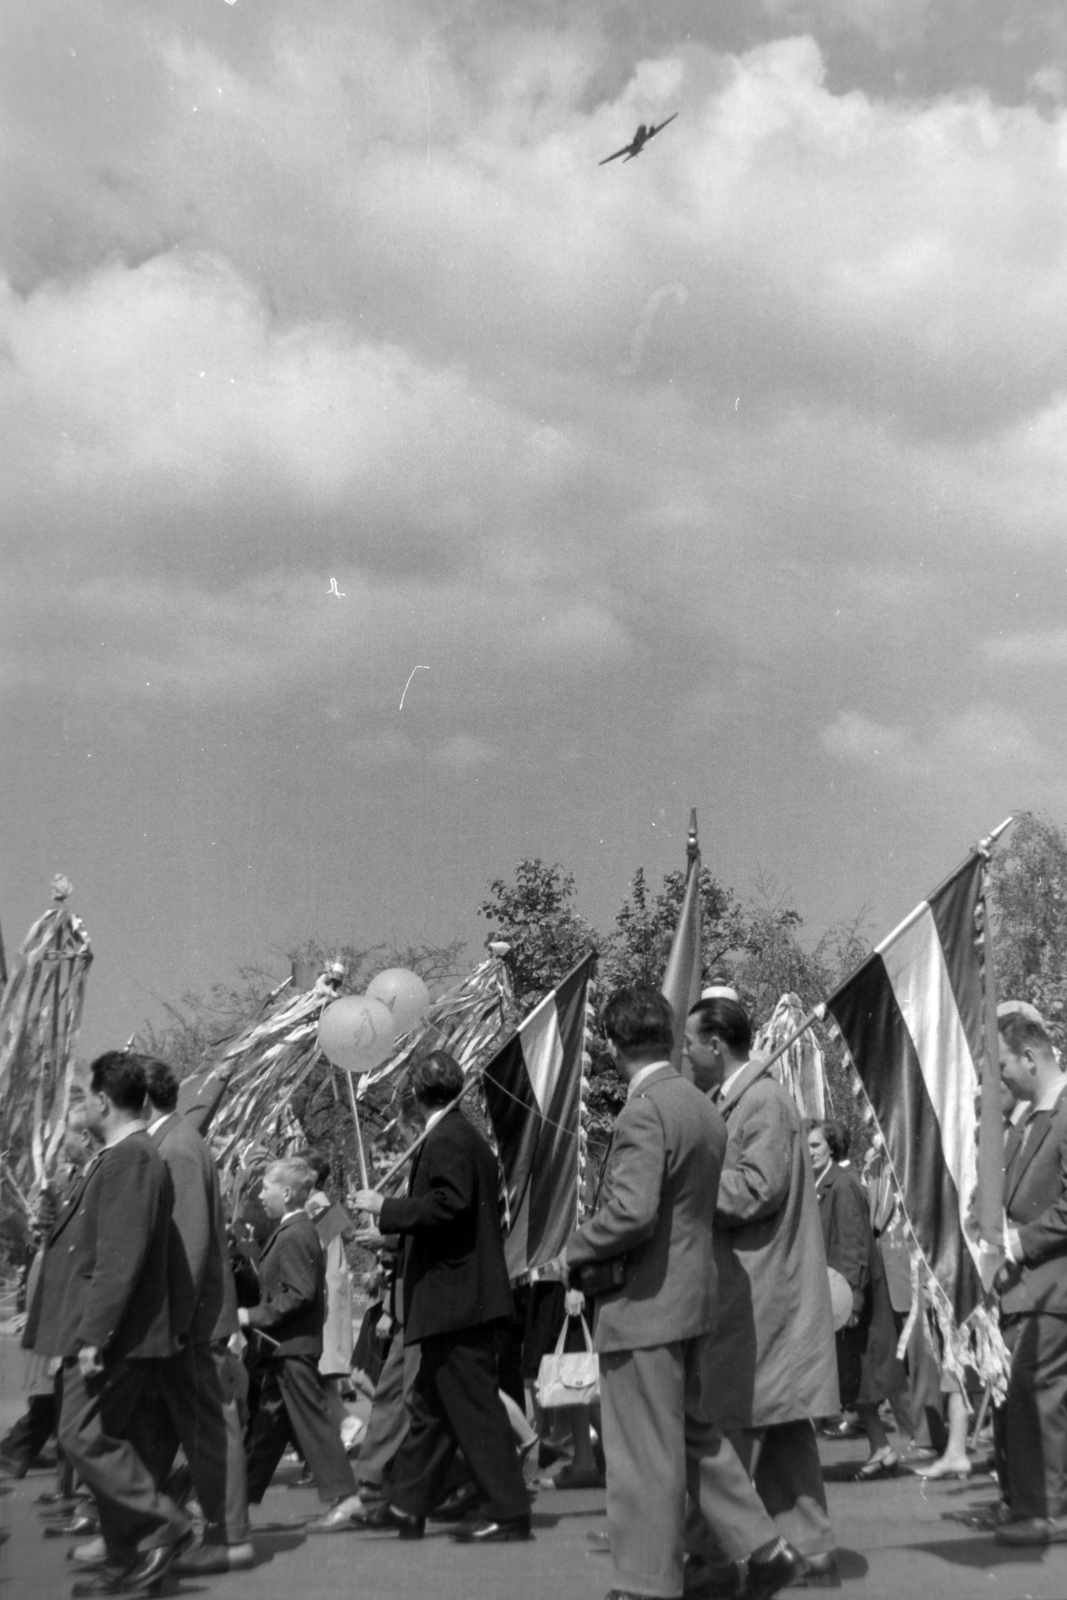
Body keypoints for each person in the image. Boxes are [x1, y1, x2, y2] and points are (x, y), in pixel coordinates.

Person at [559, 986, 799, 1600]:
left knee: (643, 1454)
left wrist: (574, 1249)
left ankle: (647, 1584)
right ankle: (765, 1549)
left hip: (643, 1304)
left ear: (612, 1045)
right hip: (695, 1298)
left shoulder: (644, 1110)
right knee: (697, 1438)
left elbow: (631, 1213)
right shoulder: (700, 1104)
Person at [683, 997, 839, 1590]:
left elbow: (757, 1188)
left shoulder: (763, 1100)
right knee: (782, 1420)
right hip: (764, 1282)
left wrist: (685, 1182)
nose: (687, 1055)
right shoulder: (747, 1098)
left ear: (717, 1047)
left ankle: (714, 1550)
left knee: (728, 1418)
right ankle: (813, 1545)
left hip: (761, 1287)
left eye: (692, 1043)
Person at [22, 1051, 191, 1595]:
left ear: (101, 1101)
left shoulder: (132, 1158)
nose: (82, 1106)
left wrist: (95, 1335)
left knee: (81, 1435)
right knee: (107, 1439)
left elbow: (119, 1258)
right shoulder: (116, 1157)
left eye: (85, 1098)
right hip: (108, 1331)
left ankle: (163, 1522)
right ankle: (130, 1559)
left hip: (113, 1335)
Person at [354, 1050, 531, 1543]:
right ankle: (408, 1504)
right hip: (455, 1297)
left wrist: (384, 1207)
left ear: (416, 1093)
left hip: (458, 1298)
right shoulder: (459, 1135)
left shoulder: (449, 1137)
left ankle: (510, 1509)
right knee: (431, 1408)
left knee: (474, 1409)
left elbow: (449, 1205)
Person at [122, 1058, 253, 1575]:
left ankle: (228, 1536)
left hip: (188, 1325)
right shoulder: (175, 1140)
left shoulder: (175, 1147)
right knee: (160, 1431)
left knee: (208, 1434)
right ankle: (141, 1531)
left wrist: (172, 1325)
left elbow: (189, 1246)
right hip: (182, 1323)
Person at [240, 1157, 360, 1528]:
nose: (261, 1194)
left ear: (287, 1192)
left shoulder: (295, 1232)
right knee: (268, 1428)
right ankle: (235, 1500)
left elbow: (299, 1294)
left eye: (266, 1187)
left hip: (292, 1345)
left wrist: (251, 1316)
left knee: (314, 1424)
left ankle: (347, 1497)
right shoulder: (292, 1229)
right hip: (283, 1347)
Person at [991, 1009, 1067, 1544]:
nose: (1000, 1078)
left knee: (1040, 1396)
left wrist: (1019, 1241)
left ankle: (1049, 1513)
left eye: (1002, 1067)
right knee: (1026, 1395)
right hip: (1028, 1285)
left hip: (1051, 1283)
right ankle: (1028, 1504)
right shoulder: (1033, 1116)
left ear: (1030, 1056)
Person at [807, 1122, 899, 1478]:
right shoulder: (819, 1185)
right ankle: (882, 1449)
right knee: (854, 1380)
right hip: (833, 1294)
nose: (810, 1151)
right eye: (807, 1145)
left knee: (847, 1377)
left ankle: (792, 1465)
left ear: (832, 1147)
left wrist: (853, 1303)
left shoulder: (842, 1187)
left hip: (844, 1298)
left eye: (816, 1144)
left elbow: (853, 1247)